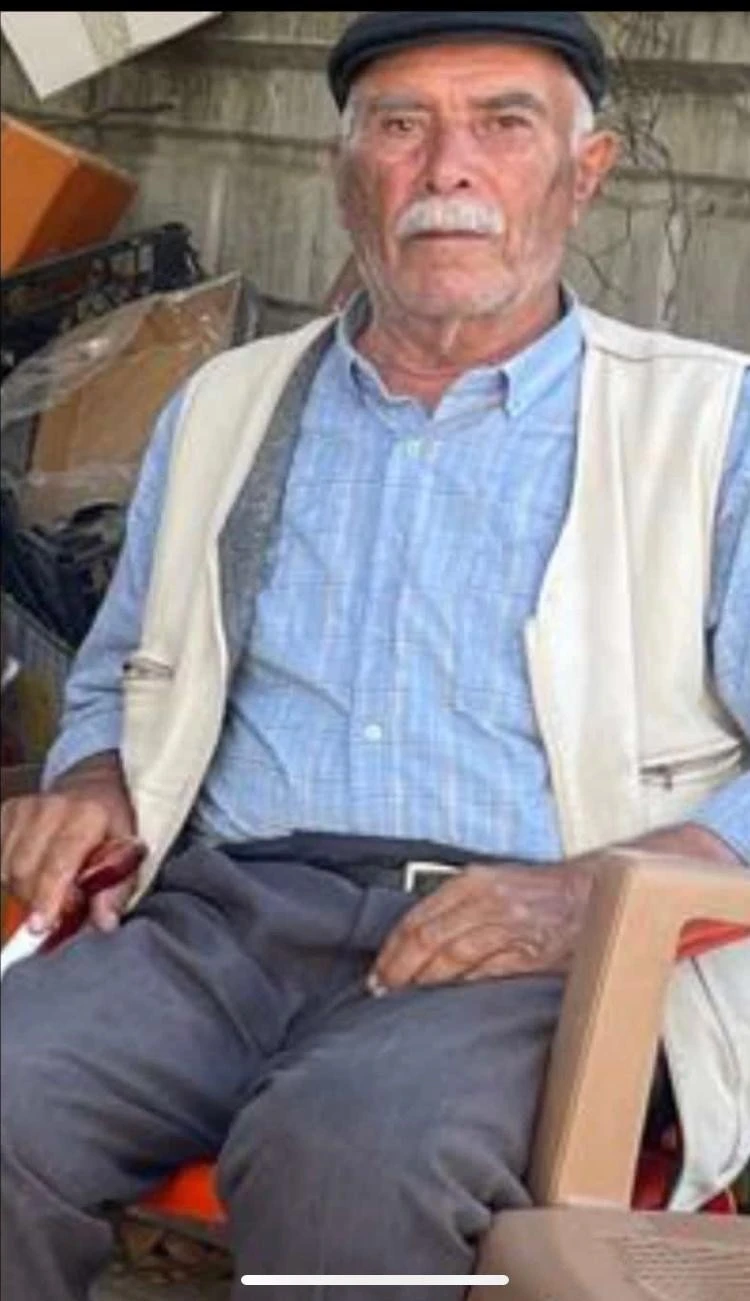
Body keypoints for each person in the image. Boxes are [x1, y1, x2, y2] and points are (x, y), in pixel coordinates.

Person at [1, 10, 748, 1299]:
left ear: (585, 174)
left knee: (345, 1159)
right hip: (229, 915)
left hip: (535, 950)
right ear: (346, 176)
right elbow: (127, 664)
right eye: (402, 127)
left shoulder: (712, 420)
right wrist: (96, 775)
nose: (447, 168)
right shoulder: (226, 401)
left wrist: (594, 892)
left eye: (504, 124)